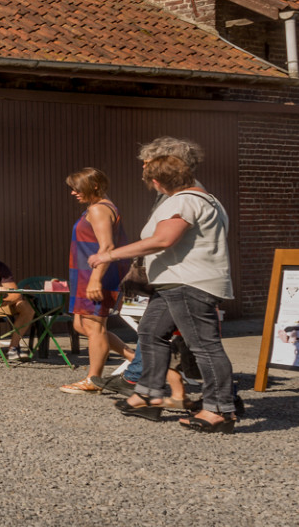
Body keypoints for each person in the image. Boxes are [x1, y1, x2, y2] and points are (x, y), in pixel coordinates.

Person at [92, 156, 237, 432]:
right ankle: (149, 394)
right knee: (150, 332)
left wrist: (108, 256)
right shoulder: (208, 199)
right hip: (174, 284)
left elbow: (163, 240)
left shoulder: (182, 202)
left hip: (188, 284)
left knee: (204, 345)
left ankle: (219, 410)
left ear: (156, 182)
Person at [59, 168, 135, 394]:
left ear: (94, 186)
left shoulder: (99, 209)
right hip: (84, 273)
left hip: (96, 275)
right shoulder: (98, 208)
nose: (73, 193)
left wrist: (95, 280)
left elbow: (107, 248)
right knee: (81, 325)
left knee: (94, 326)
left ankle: (94, 380)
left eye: (77, 188)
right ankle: (139, 360)